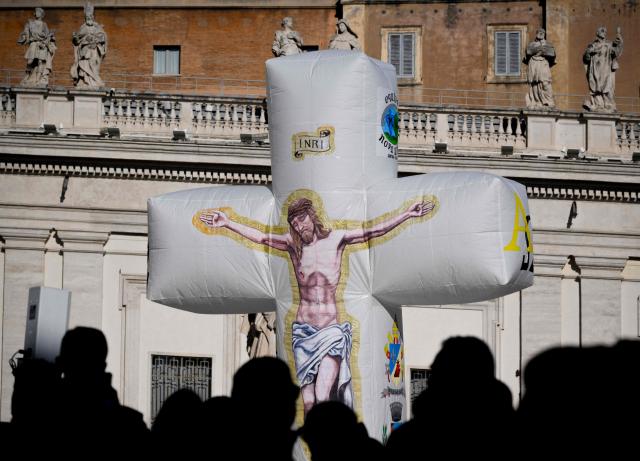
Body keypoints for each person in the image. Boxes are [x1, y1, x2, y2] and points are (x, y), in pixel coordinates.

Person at [198, 195, 435, 415]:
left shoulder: (337, 238)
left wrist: (407, 214)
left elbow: (371, 232)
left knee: (323, 395)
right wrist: (227, 223)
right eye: (295, 223)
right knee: (309, 403)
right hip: (303, 334)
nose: (300, 227)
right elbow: (262, 237)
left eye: (302, 220)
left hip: (331, 331)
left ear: (312, 215)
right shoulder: (293, 245)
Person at [583, 26, 623, 112]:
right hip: (595, 69)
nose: (604, 32)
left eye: (605, 31)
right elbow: (586, 58)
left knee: (606, 86)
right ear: (597, 33)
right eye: (602, 31)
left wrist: (619, 42)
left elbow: (616, 52)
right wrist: (589, 52)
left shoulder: (608, 45)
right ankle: (598, 104)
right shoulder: (592, 45)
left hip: (605, 69)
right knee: (595, 86)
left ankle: (607, 104)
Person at [70, 2, 108, 88]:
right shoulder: (83, 27)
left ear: (93, 17)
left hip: (94, 49)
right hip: (84, 50)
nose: (89, 18)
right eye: (87, 17)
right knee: (85, 64)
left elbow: (103, 38)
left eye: (90, 17)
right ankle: (85, 81)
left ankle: (94, 81)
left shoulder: (97, 27)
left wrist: (96, 39)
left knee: (93, 64)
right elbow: (77, 41)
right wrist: (75, 37)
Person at [16, 8, 56, 86]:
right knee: (30, 61)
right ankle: (27, 75)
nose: (37, 13)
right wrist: (24, 37)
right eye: (36, 12)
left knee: (40, 62)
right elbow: (25, 34)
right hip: (33, 44)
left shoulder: (44, 24)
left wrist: (50, 40)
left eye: (39, 12)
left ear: (41, 14)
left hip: (42, 45)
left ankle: (38, 79)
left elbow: (47, 35)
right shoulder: (30, 23)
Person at [524, 28, 555, 109]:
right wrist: (538, 49)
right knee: (534, 83)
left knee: (545, 82)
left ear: (544, 34)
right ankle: (536, 101)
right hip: (533, 63)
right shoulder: (532, 44)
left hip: (543, 63)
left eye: (542, 33)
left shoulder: (548, 44)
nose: (541, 34)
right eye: (539, 32)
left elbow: (552, 53)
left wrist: (542, 50)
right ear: (536, 33)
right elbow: (528, 51)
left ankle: (549, 101)